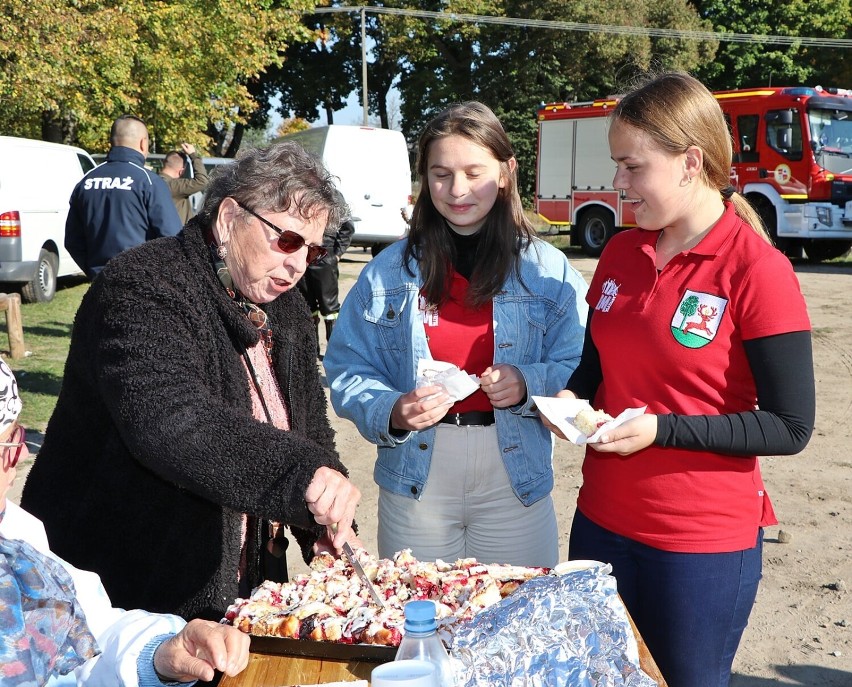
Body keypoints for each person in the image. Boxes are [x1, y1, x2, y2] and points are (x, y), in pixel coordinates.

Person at [541, 72, 815, 687]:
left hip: (697, 545)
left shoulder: (756, 269)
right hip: (601, 521)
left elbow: (790, 426)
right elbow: (595, 364)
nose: (618, 183)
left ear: (690, 163)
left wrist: (660, 430)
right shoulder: (620, 251)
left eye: (632, 167)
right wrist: (569, 399)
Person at [21, 141, 362, 622]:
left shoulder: (285, 308)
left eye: (314, 249)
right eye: (287, 240)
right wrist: (302, 474)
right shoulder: (142, 284)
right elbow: (172, 421)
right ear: (227, 219)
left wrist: (324, 515)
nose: (299, 263)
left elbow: (306, 426)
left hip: (240, 590)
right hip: (126, 589)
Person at [323, 102, 588, 568]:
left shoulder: (549, 269)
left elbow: (583, 364)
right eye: (441, 174)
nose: (457, 190)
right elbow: (346, 368)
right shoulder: (387, 272)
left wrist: (528, 383)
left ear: (506, 172)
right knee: (419, 624)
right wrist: (392, 409)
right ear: (424, 178)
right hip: (416, 482)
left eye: (474, 171)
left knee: (514, 625)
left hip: (514, 479)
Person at [0, 358, 250, 687]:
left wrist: (159, 654)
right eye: (10, 447)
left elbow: (88, 635)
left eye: (16, 444)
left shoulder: (16, 536)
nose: (16, 462)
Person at [65, 114, 182, 278]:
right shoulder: (148, 181)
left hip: (101, 285)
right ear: (143, 143)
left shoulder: (86, 181)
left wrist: (96, 273)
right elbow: (173, 239)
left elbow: (72, 241)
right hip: (142, 284)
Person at [296, 188, 354, 357]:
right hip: (303, 255)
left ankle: (335, 353)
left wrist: (337, 254)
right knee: (306, 306)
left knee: (330, 309)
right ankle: (311, 351)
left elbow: (347, 226)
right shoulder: (299, 190)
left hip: (325, 256)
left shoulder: (333, 194)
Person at [159, 143, 211, 225]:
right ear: (181, 171)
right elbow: (202, 181)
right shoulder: (174, 186)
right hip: (175, 234)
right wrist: (193, 155)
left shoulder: (151, 181)